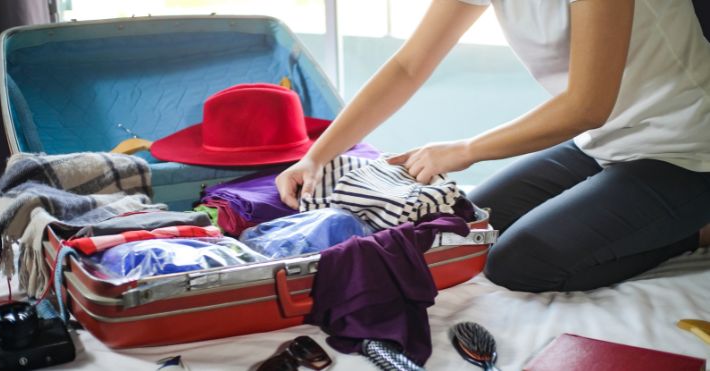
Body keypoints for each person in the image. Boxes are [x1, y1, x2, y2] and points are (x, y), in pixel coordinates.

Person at [276, 0, 710, 292]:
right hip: (604, 142)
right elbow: (408, 66)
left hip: (686, 148)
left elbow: (586, 105)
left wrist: (464, 150)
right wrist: (317, 155)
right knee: (470, 233)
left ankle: (698, 230)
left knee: (519, 264)